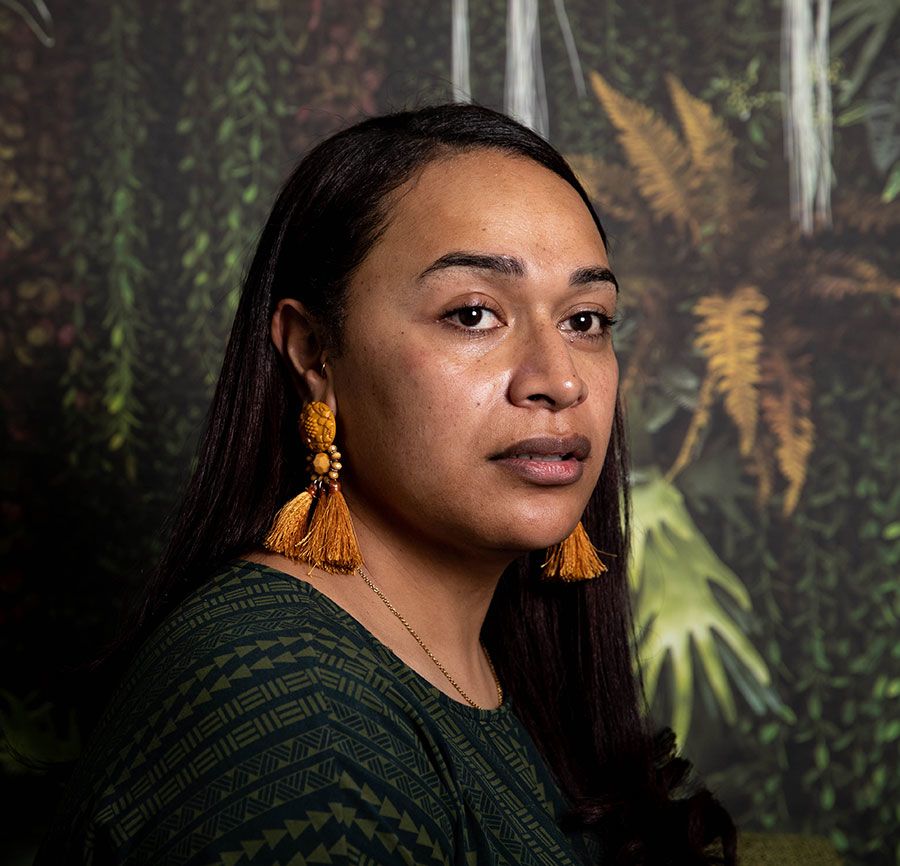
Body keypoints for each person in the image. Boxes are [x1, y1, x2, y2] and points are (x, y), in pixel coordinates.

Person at [34, 102, 737, 865]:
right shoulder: (300, 723)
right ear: (314, 352)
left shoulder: (492, 664)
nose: (560, 379)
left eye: (586, 320)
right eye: (473, 313)